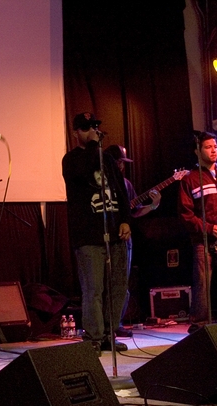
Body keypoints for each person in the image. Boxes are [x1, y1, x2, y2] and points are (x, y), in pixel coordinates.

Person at [62, 113, 132, 355]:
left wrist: (125, 220)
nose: (91, 131)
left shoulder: (108, 160)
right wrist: (93, 144)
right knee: (93, 289)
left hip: (114, 231)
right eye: (85, 128)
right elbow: (82, 172)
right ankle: (93, 337)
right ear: (75, 133)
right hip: (88, 236)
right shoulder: (71, 160)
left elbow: (121, 191)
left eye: (94, 127)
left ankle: (108, 334)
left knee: (117, 287)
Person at [178, 131, 217, 334]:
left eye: (215, 146)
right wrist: (211, 228)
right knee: (202, 285)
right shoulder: (189, 179)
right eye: (208, 147)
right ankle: (199, 326)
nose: (214, 150)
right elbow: (186, 215)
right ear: (197, 151)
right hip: (203, 240)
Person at [103, 145, 161, 338]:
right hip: (104, 239)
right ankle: (103, 325)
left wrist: (153, 205)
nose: (121, 166)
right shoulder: (100, 183)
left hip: (124, 240)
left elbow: (134, 211)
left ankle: (116, 323)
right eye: (119, 162)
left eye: (123, 163)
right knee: (103, 285)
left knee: (122, 284)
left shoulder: (126, 184)